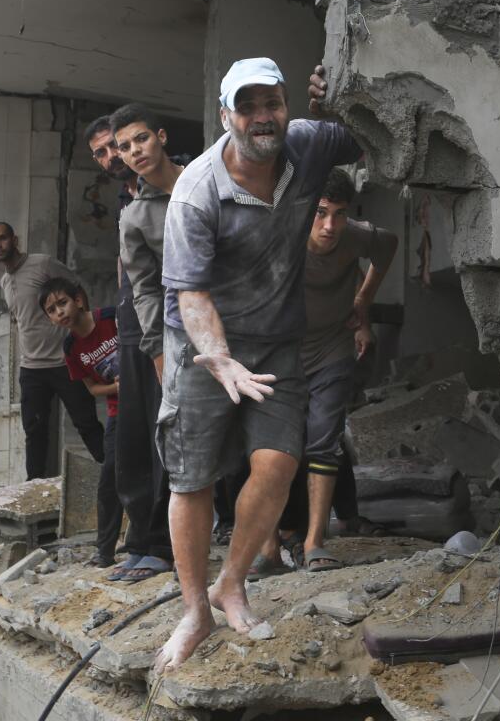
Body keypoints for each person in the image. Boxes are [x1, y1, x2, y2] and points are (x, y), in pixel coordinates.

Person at [154, 58, 363, 671]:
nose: (261, 117)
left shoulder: (308, 145)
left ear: (285, 104)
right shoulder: (196, 192)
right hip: (201, 346)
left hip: (275, 343)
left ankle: (232, 584)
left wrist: (339, 95)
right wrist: (218, 359)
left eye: (271, 102)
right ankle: (194, 609)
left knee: (277, 465)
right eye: (247, 107)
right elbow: (190, 294)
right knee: (191, 481)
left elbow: (374, 129)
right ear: (226, 117)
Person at [267, 168, 397, 573]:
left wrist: (363, 304)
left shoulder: (355, 235)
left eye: (339, 214)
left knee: (324, 439)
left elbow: (388, 246)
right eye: (321, 212)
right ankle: (268, 546)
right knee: (273, 449)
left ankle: (316, 542)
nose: (329, 226)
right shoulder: (277, 236)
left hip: (331, 348)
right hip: (281, 354)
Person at [110, 103, 190, 581]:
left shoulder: (206, 179)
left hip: (233, 324)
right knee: (150, 438)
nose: (134, 151)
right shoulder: (135, 216)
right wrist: (159, 351)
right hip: (171, 336)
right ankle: (151, 543)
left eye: (140, 139)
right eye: (124, 146)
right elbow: (143, 287)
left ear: (159, 136)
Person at [0, 222, 104, 479]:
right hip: (32, 368)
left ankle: (115, 474)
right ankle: (33, 490)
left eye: (2, 239)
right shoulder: (4, 281)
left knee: (87, 425)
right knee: (34, 431)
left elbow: (76, 289)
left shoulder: (43, 264)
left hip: (65, 363)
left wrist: (84, 334)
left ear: (14, 240)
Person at [38, 277, 123, 569]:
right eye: (51, 310)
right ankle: (105, 552)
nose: (59, 312)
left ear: (78, 300)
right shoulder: (72, 347)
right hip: (117, 411)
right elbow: (92, 389)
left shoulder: (113, 318)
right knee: (109, 480)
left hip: (149, 402)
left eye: (62, 303)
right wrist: (116, 388)